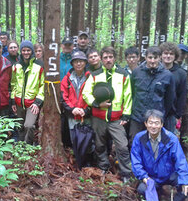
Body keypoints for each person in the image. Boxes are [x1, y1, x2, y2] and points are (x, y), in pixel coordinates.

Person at [83, 46, 132, 182]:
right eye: (105, 57)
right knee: (100, 144)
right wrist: (97, 104)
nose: (108, 60)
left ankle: (126, 173)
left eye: (111, 57)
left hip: (116, 118)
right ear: (101, 59)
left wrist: (126, 115)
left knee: (122, 145)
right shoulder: (95, 75)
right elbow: (86, 93)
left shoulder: (123, 75)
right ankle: (103, 167)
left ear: (115, 58)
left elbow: (128, 96)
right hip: (98, 117)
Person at [131, 109, 188, 201]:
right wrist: (144, 177)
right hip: (151, 176)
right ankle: (158, 193)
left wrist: (186, 180)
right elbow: (136, 162)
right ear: (146, 123)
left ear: (162, 124)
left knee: (185, 187)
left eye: (156, 123)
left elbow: (180, 160)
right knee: (142, 190)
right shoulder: (139, 138)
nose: (153, 126)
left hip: (169, 174)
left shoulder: (171, 139)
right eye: (150, 123)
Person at [129, 46, 175, 145]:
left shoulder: (167, 75)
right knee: (135, 141)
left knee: (155, 143)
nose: (152, 61)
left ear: (160, 58)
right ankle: (135, 161)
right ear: (145, 58)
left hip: (156, 117)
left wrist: (162, 113)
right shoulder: (137, 72)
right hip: (137, 115)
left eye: (155, 58)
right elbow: (132, 92)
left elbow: (169, 98)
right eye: (150, 57)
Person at [61, 51, 94, 164]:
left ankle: (87, 163)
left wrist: (86, 110)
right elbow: (63, 97)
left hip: (87, 114)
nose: (78, 64)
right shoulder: (67, 78)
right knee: (74, 139)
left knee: (88, 139)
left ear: (85, 63)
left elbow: (94, 96)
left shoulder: (91, 77)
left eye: (81, 61)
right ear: (72, 64)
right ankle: (78, 162)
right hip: (72, 114)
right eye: (76, 61)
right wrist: (72, 109)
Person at [11, 40, 44, 144]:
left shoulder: (39, 66)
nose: (26, 53)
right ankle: (21, 146)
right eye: (24, 50)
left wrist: (38, 102)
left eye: (28, 50)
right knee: (20, 126)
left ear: (32, 51)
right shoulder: (16, 66)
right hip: (19, 102)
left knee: (29, 125)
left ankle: (28, 145)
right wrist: (13, 101)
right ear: (21, 51)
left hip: (32, 103)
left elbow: (42, 85)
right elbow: (13, 84)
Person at [160, 42, 187, 133]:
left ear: (175, 56)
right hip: (155, 112)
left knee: (168, 140)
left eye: (171, 54)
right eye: (165, 53)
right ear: (161, 55)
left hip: (171, 114)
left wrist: (177, 115)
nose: (168, 56)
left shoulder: (181, 73)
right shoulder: (155, 70)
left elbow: (182, 96)